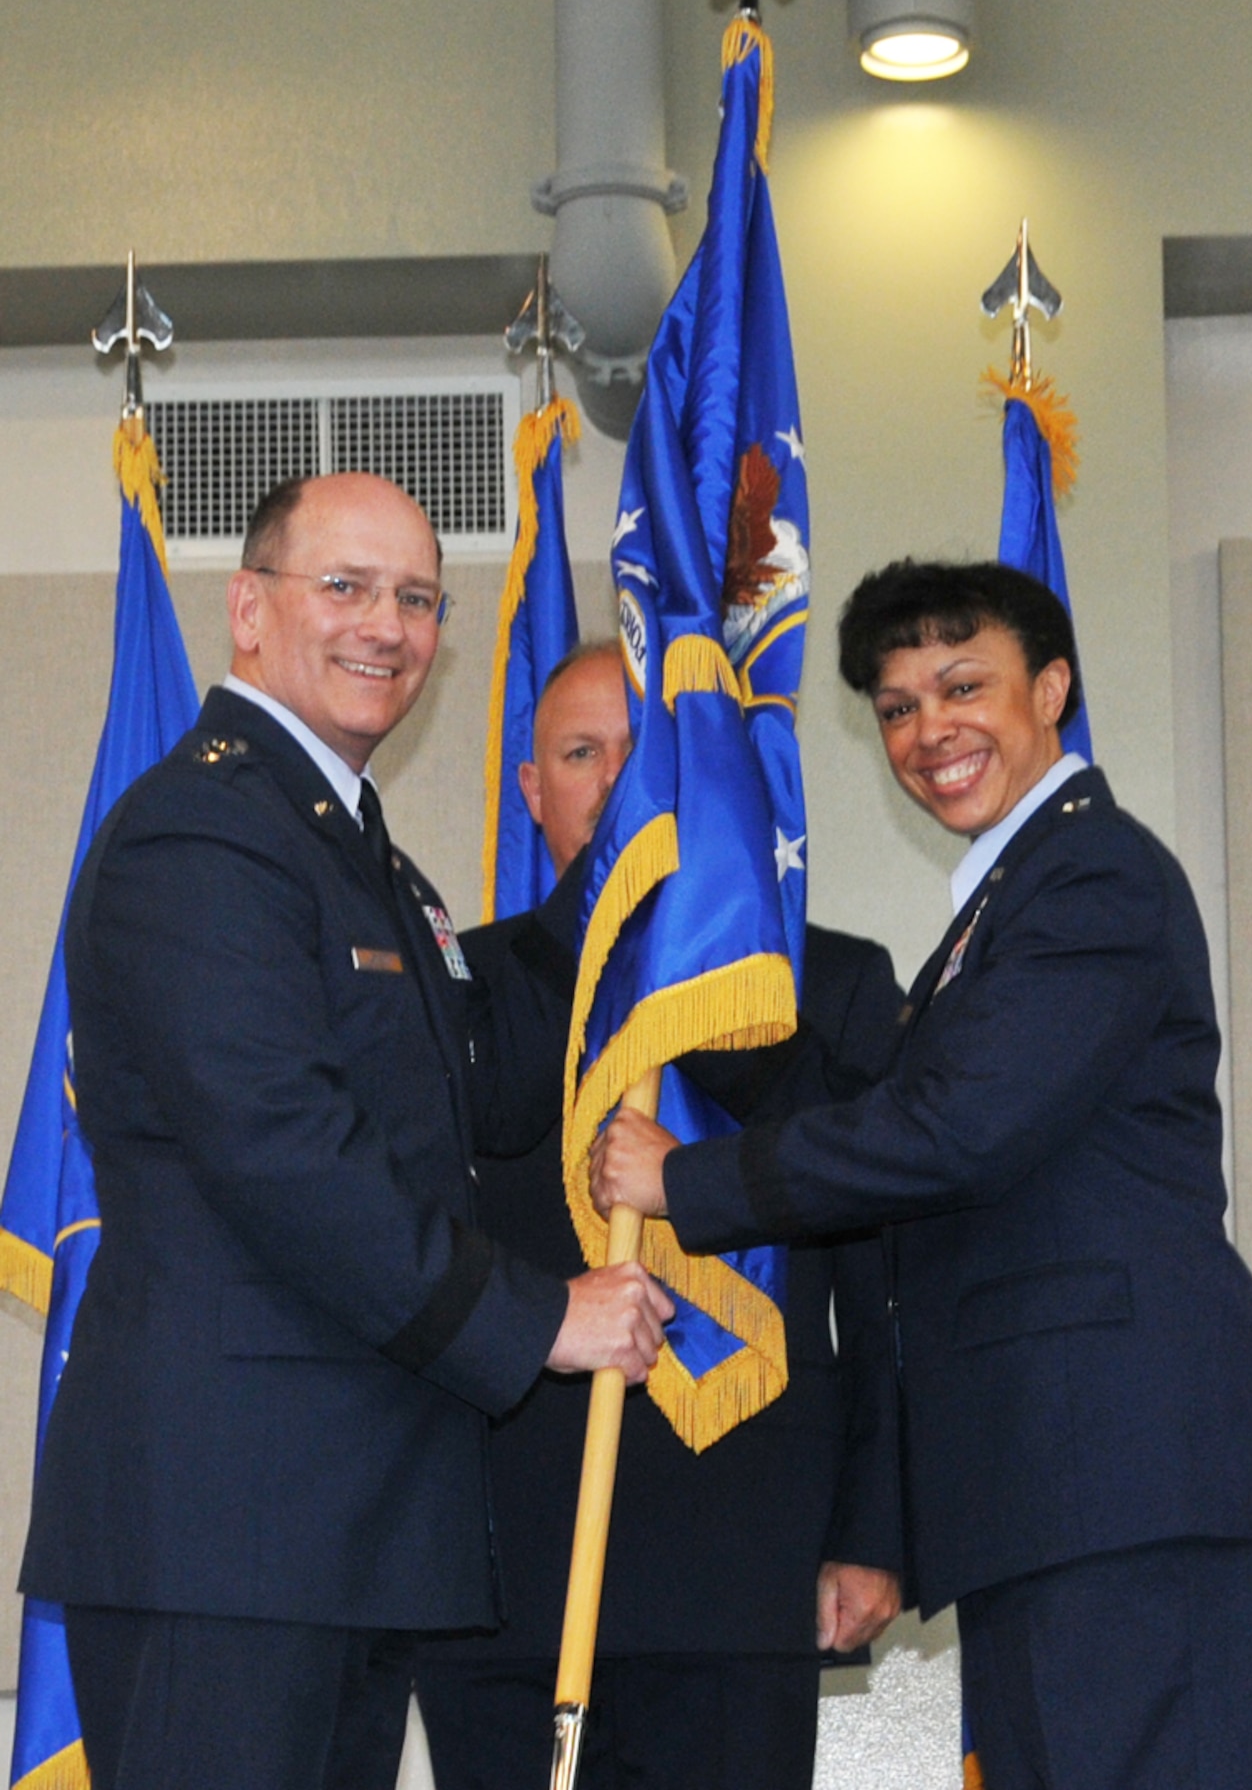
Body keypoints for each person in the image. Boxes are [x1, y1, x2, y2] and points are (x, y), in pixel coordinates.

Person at [593, 561, 1252, 1790]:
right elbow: (895, 1119)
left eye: (962, 685)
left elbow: (953, 1129)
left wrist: (689, 1181)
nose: (930, 731)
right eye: (897, 705)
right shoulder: (1003, 906)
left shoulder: (1092, 877)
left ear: (1052, 686)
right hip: (1058, 1487)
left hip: (1125, 1483)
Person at [20, 473, 671, 1790]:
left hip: (335, 1535)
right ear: (249, 610)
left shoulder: (354, 850)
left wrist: (650, 885)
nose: (389, 624)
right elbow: (285, 1151)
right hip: (229, 1536)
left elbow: (480, 1087)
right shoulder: (203, 831)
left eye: (419, 597)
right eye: (348, 587)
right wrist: (539, 1319)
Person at [356, 641, 902, 1790]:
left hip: (743, 1563)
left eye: (642, 758)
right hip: (503, 1571)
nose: (615, 788)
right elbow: (390, 1251)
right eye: (578, 753)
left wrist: (872, 1528)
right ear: (532, 789)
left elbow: (884, 1290)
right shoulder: (458, 990)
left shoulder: (824, 985)